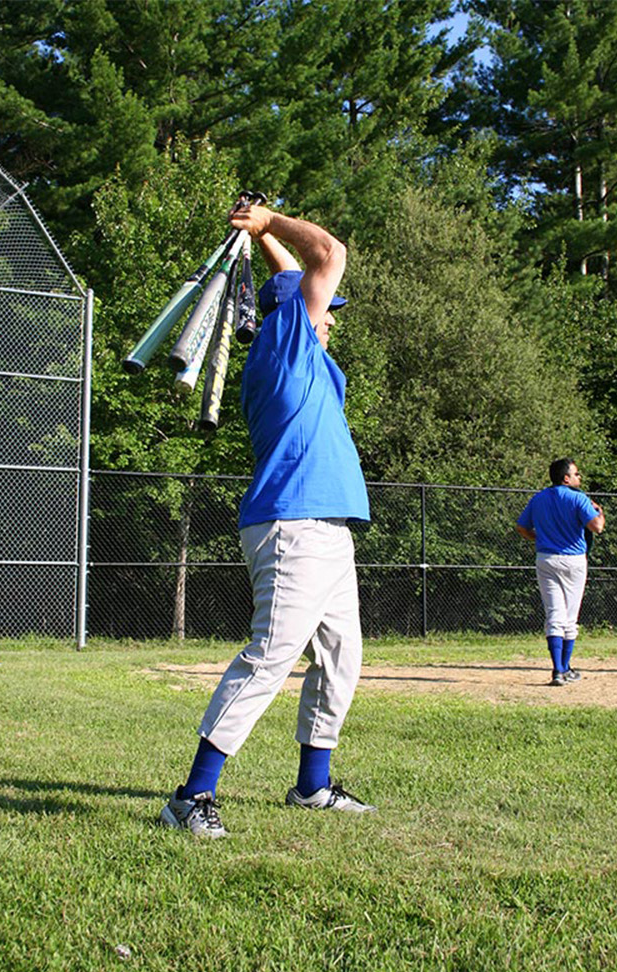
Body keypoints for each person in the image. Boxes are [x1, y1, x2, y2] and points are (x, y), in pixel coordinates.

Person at [160, 203, 375, 838]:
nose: (333, 321)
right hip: (293, 524)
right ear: (300, 312)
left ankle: (312, 786)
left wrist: (264, 240)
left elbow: (296, 275)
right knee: (271, 656)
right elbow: (327, 255)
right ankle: (190, 797)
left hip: (326, 526)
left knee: (342, 657)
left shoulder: (299, 351)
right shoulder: (288, 341)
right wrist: (273, 219)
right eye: (327, 312)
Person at [516, 458, 605, 686]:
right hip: (573, 561)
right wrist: (599, 512)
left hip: (545, 558)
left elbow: (521, 527)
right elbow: (597, 527)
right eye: (576, 474)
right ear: (566, 478)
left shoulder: (539, 498)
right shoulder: (578, 497)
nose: (579, 478)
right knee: (570, 617)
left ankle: (558, 670)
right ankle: (564, 669)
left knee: (554, 614)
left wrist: (540, 539)